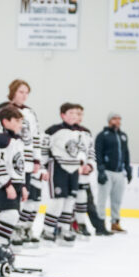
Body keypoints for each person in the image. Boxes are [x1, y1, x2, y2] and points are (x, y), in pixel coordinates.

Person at [0, 79, 44, 245]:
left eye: (27, 92)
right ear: (13, 91)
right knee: (5, 199)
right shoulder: (1, 109)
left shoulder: (30, 113)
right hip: (7, 161)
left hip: (24, 163)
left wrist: (36, 159)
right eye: (21, 91)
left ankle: (16, 229)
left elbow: (35, 137)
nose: (24, 95)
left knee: (21, 198)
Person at [40, 103, 87, 245]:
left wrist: (81, 162)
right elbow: (43, 148)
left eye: (75, 113)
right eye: (70, 113)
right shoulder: (53, 130)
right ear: (62, 115)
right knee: (58, 201)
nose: (73, 116)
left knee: (70, 200)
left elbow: (82, 150)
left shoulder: (80, 132)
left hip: (74, 170)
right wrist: (42, 167)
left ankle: (64, 229)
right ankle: (48, 230)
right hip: (58, 167)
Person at [0, 105, 27, 249]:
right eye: (17, 121)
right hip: (3, 184)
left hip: (16, 183)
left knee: (7, 215)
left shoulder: (17, 140)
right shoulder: (1, 140)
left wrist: (23, 186)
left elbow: (20, 165)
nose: (20, 125)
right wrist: (7, 185)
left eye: (21, 121)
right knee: (10, 215)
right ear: (5, 122)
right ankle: (0, 245)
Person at [72, 105, 109, 237]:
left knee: (88, 202)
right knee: (67, 203)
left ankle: (98, 227)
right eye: (76, 113)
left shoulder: (86, 132)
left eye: (81, 114)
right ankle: (64, 228)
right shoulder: (63, 131)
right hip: (70, 174)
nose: (79, 117)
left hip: (84, 177)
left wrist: (90, 166)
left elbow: (91, 153)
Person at [95, 110, 132, 233]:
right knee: (102, 199)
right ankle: (100, 223)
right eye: (115, 119)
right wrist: (100, 170)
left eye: (119, 119)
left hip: (119, 173)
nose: (117, 121)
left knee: (117, 200)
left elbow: (126, 153)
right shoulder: (103, 135)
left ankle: (115, 223)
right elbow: (98, 153)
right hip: (107, 171)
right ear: (110, 121)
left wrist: (128, 169)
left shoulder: (123, 136)